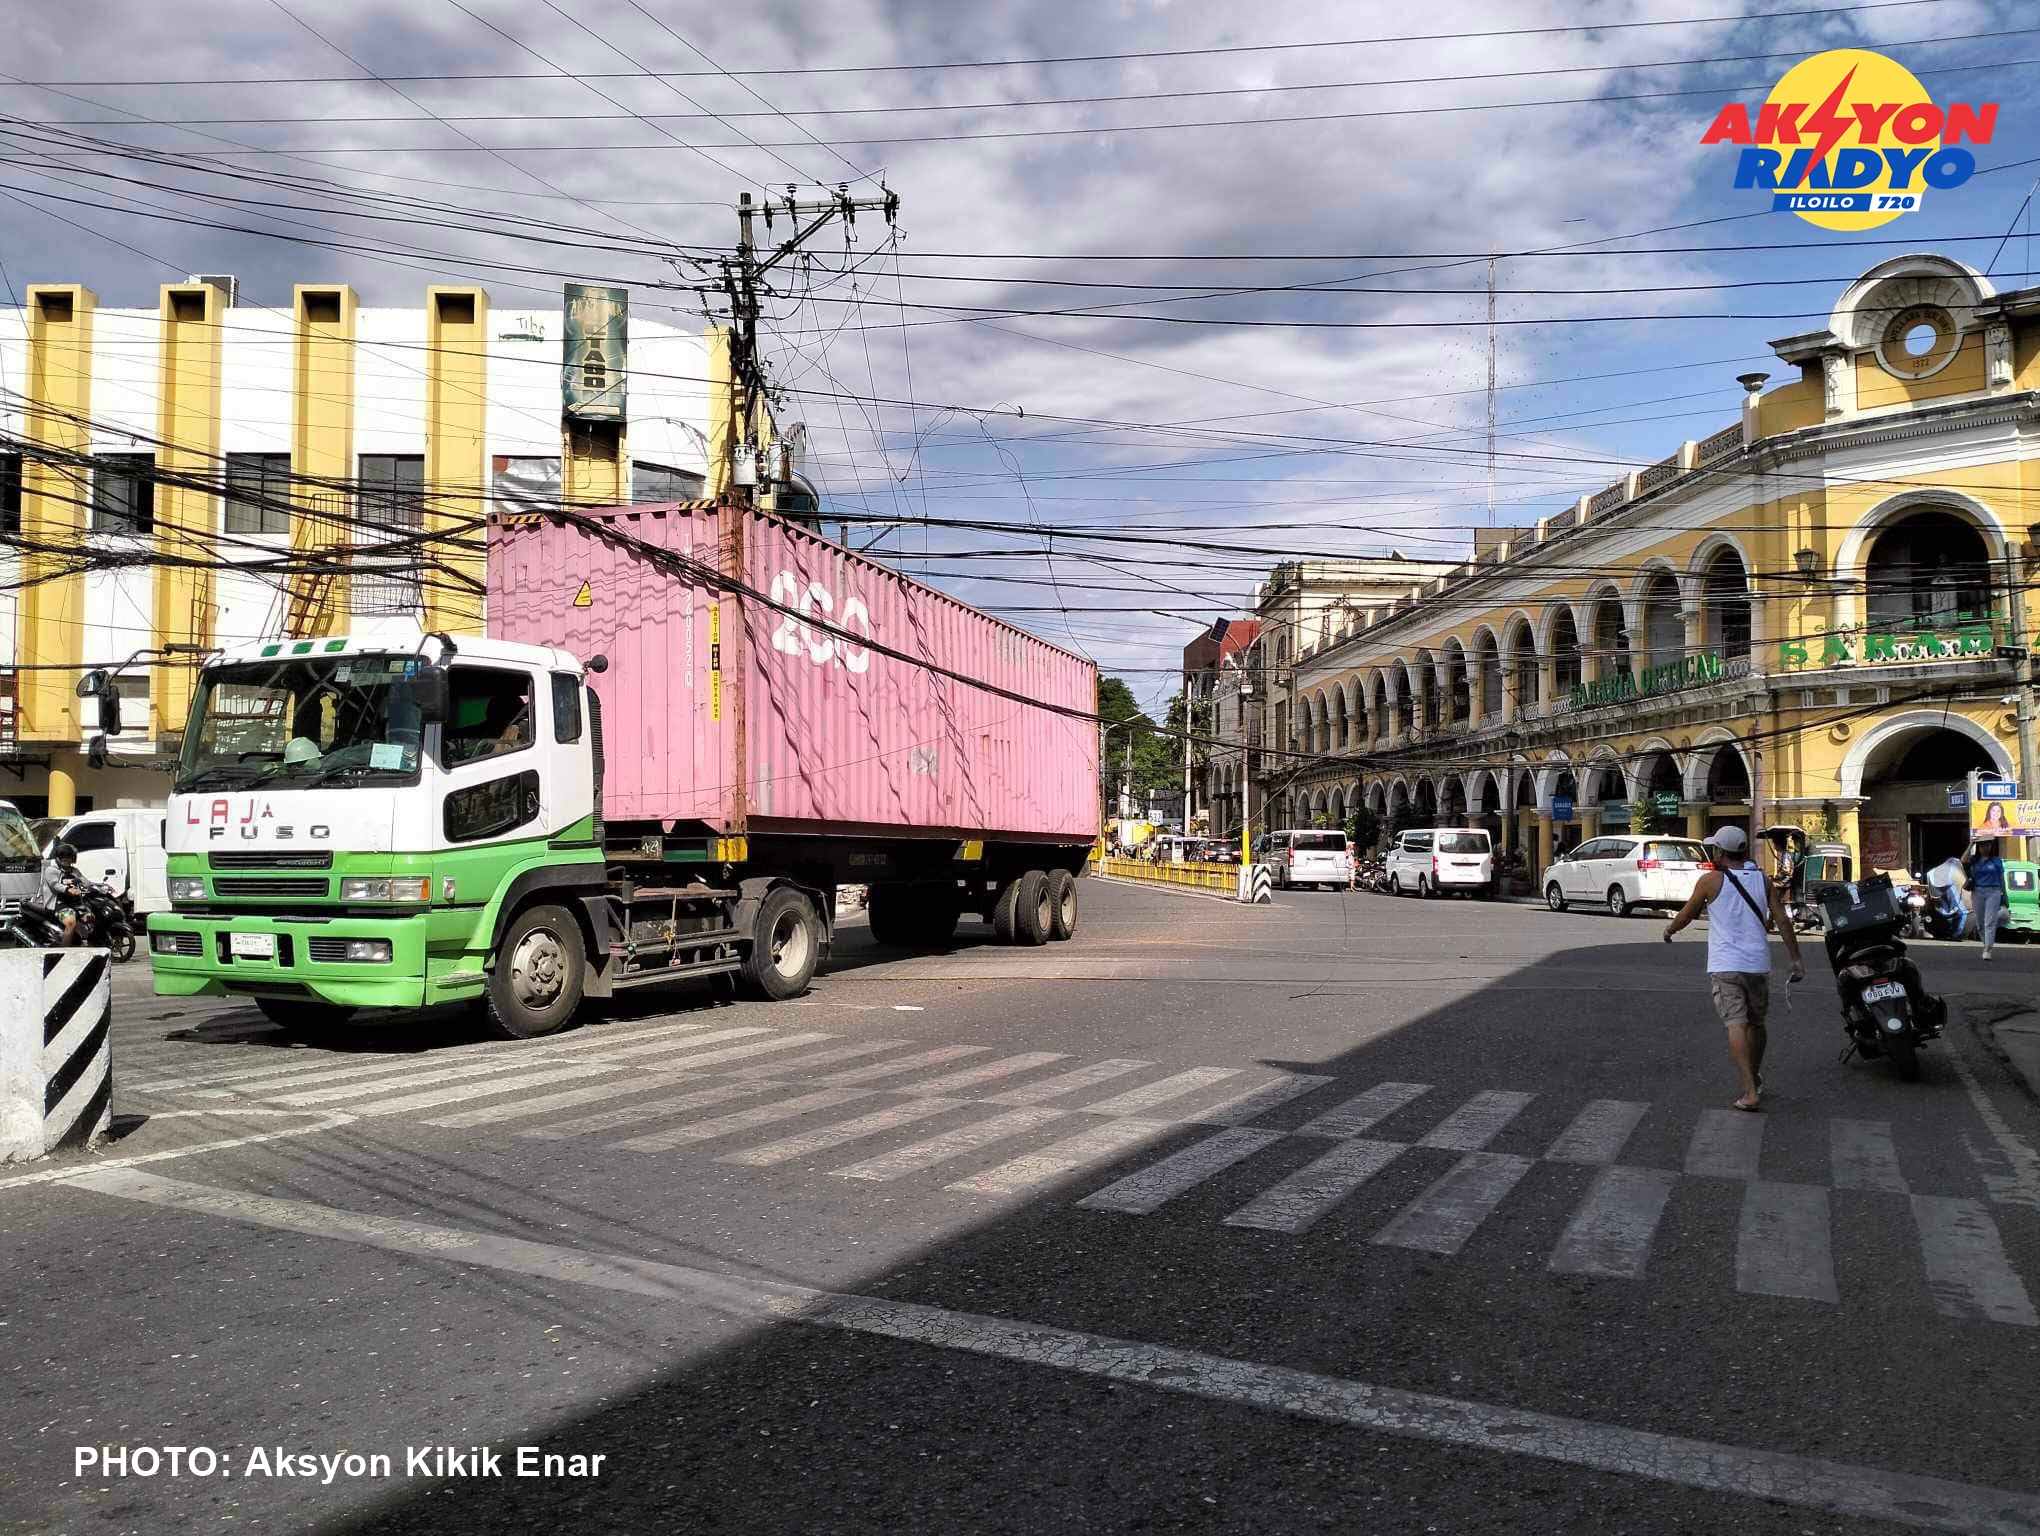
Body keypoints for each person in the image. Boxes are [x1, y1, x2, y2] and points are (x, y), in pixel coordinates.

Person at [1661, 825, 1806, 1112]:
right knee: (1757, 1024)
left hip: (1726, 965)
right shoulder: (1763, 880)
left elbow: (1687, 914)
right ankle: (1755, 1077)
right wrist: (1795, 959)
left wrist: (1669, 930)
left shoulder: (1710, 880)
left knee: (1735, 1023)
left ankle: (1749, 1091)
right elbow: (1782, 920)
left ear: (1720, 852)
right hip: (1757, 964)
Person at [1963, 838, 2007, 960]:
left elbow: (2002, 879)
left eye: (1987, 845)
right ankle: (1985, 945)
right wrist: (1971, 843)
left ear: (1991, 847)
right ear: (1979, 847)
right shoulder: (1975, 860)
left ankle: (1988, 949)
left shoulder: (1996, 861)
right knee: (1980, 923)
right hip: (1977, 891)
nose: (1985, 848)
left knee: (1990, 921)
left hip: (1994, 891)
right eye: (1982, 846)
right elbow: (1963, 860)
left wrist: (2004, 895)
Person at [41, 840, 88, 947]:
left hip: (76, 903)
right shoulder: (51, 870)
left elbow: (85, 881)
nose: (66, 860)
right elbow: (55, 885)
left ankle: (86, 942)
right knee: (71, 923)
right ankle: (66, 950)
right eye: (63, 857)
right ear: (58, 858)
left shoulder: (74, 871)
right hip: (59, 904)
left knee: (90, 918)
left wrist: (97, 887)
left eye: (69, 857)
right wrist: (67, 890)